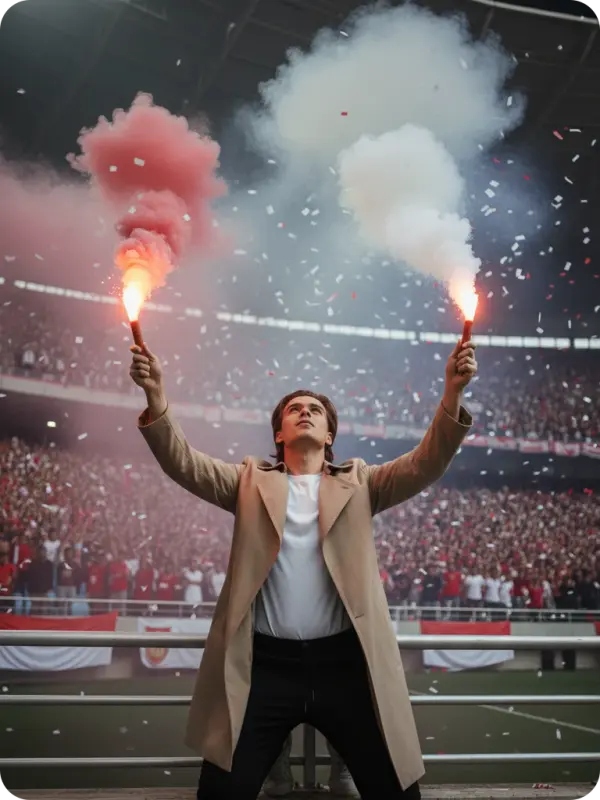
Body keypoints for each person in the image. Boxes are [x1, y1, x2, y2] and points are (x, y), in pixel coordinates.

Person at [129, 337, 477, 800]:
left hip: (345, 666)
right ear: (280, 433)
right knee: (220, 793)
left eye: (315, 409)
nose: (305, 412)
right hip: (265, 669)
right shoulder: (248, 480)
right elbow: (183, 463)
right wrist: (156, 397)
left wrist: (452, 394)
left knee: (396, 792)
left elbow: (427, 461)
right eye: (295, 409)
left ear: (330, 435)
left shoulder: (363, 481)